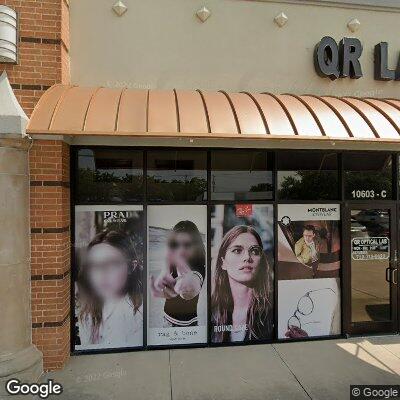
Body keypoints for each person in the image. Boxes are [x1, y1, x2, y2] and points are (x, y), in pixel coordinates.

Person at [77, 230, 143, 348]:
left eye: (112, 264)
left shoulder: (139, 315)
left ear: (131, 267)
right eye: (94, 265)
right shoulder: (86, 313)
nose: (102, 273)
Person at [211, 225, 273, 343]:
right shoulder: (211, 313)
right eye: (237, 250)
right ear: (223, 262)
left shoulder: (272, 311)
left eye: (254, 251)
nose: (247, 258)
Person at [150, 221, 206, 327]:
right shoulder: (173, 261)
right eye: (176, 244)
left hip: (186, 325)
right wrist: (165, 270)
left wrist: (187, 288)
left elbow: (190, 289)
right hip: (167, 319)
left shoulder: (198, 267)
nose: (181, 250)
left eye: (187, 245)